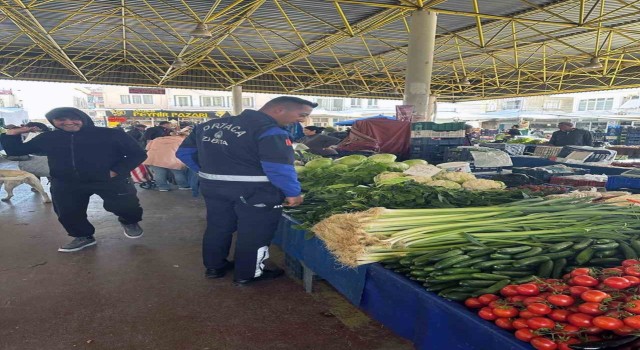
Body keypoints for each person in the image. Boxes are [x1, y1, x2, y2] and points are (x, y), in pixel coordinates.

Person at [176, 96, 316, 285]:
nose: (303, 120)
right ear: (279, 109)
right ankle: (247, 274)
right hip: (256, 191)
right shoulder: (270, 131)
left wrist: (209, 171)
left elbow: (183, 153)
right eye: (302, 115)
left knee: (218, 227)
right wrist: (293, 193)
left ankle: (214, 268)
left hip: (213, 188)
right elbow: (278, 168)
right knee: (255, 233)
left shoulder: (208, 126)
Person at [0, 107, 147, 252]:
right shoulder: (48, 138)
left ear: (83, 118)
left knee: (127, 206)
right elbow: (16, 151)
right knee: (68, 212)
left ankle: (129, 221)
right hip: (66, 182)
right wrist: (13, 133)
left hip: (109, 180)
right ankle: (83, 236)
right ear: (53, 121)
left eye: (74, 118)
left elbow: (138, 154)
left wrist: (116, 171)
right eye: (61, 120)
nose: (69, 122)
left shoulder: (111, 134)